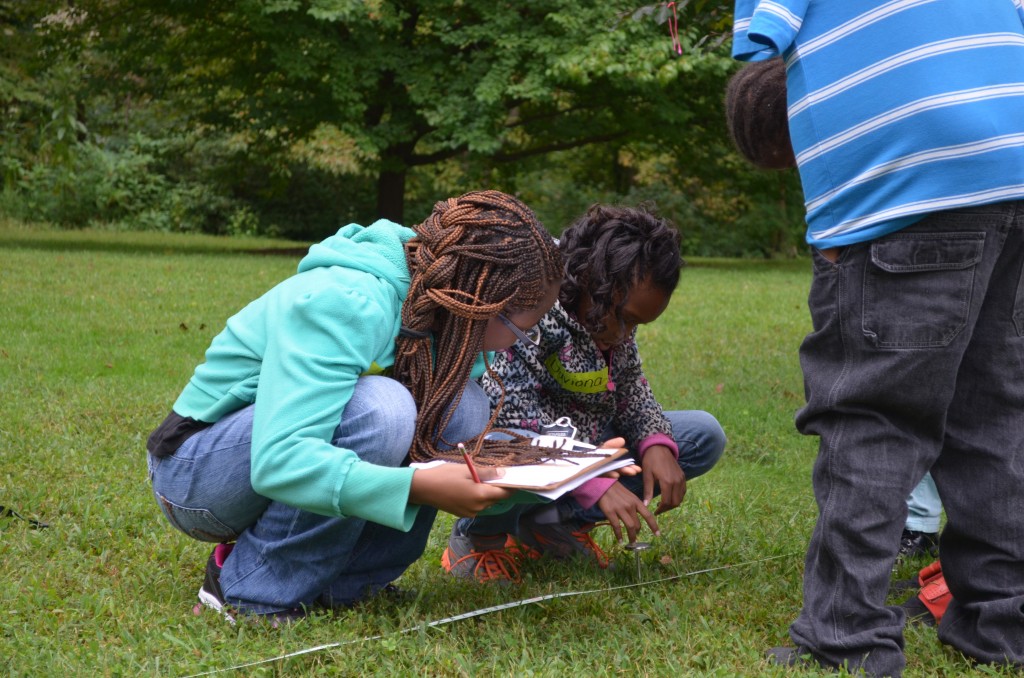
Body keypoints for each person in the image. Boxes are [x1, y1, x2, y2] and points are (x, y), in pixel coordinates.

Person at [729, 3, 1024, 676]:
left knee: (873, 415)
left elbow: (761, 57)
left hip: (907, 171)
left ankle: (847, 639)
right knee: (996, 411)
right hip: (1014, 157)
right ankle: (1003, 624)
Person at [145, 190, 566, 622]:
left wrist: (522, 482)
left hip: (251, 464)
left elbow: (443, 453)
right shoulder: (347, 301)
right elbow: (279, 461)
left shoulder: (457, 327)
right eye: (522, 329)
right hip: (196, 474)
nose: (519, 342)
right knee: (382, 409)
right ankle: (249, 590)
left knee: (464, 408)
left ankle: (347, 585)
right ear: (483, 302)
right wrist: (417, 488)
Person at [726, 57, 944, 565]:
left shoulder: (851, 146)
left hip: (920, 263)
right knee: (945, 397)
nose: (801, 173)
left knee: (884, 403)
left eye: (793, 160)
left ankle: (861, 595)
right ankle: (939, 539)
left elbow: (834, 269)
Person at [440, 204, 726, 582]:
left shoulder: (611, 316)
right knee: (507, 444)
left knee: (701, 435)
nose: (626, 334)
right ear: (590, 282)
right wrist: (593, 479)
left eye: (637, 324)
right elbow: (509, 418)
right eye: (624, 318)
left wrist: (656, 442)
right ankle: (479, 536)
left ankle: (550, 523)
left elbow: (631, 390)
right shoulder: (534, 305)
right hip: (513, 441)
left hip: (584, 447)